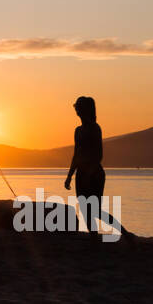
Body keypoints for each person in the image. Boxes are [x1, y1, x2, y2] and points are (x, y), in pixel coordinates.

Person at [64, 96, 105, 234]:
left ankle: (125, 233)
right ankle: (94, 238)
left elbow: (99, 155)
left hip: (94, 174)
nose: (77, 109)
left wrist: (90, 173)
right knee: (85, 211)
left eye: (79, 107)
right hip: (81, 174)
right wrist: (69, 176)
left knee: (95, 211)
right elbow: (76, 155)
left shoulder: (94, 128)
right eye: (77, 107)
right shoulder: (78, 130)